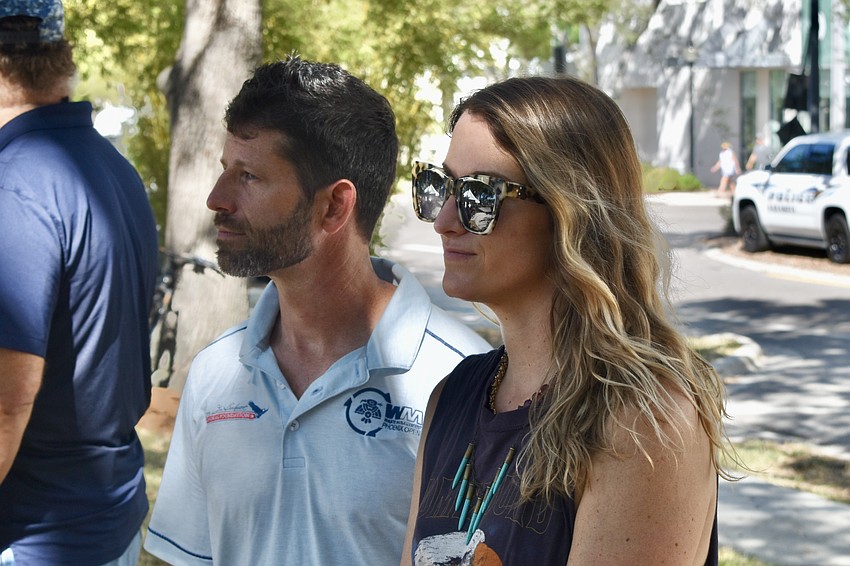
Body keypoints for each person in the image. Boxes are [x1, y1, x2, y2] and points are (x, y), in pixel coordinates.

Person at [143, 56, 490, 566]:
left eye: (250, 177)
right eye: (224, 171)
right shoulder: (215, 373)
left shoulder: (467, 382)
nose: (217, 199)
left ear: (333, 206)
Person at [402, 76, 735, 565]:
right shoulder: (452, 396)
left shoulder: (642, 420)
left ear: (569, 212)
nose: (443, 219)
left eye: (480, 194)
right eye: (440, 185)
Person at [0, 1, 160, 565]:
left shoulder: (15, 187)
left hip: (33, 536)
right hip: (102, 517)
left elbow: (4, 409)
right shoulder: (110, 167)